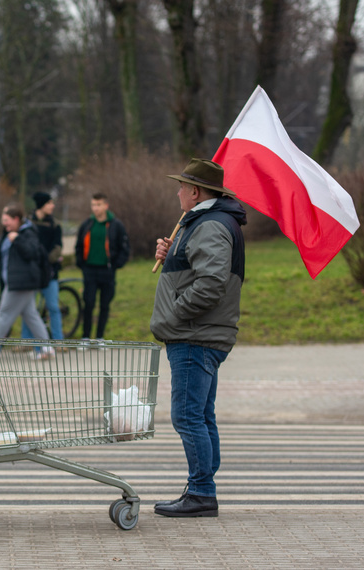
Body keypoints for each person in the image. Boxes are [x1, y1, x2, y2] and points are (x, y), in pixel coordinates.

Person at [150, 158, 246, 518]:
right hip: (200, 333)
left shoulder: (210, 225)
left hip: (195, 335)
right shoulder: (207, 223)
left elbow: (210, 284)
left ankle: (202, 491)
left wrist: (175, 314)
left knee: (188, 417)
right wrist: (170, 252)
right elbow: (197, 271)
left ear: (195, 192)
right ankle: (202, 487)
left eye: (181, 186)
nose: (177, 192)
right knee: (201, 416)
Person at [0, 203, 53, 357]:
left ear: (16, 219)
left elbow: (31, 253)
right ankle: (47, 348)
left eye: (7, 220)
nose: (4, 223)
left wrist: (18, 240)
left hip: (21, 282)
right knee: (31, 316)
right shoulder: (8, 233)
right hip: (13, 282)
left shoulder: (28, 233)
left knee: (4, 314)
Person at [74, 193, 129, 342]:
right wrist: (81, 263)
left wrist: (116, 265)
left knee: (105, 305)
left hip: (107, 271)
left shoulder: (116, 225)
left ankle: (99, 338)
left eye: (98, 205)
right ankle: (85, 337)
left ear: (106, 206)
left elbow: (124, 248)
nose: (95, 208)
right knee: (89, 303)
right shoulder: (87, 224)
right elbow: (79, 245)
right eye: (93, 205)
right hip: (89, 270)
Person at [22, 192, 64, 340]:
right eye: (49, 203)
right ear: (41, 205)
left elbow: (57, 247)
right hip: (32, 273)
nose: (52, 206)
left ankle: (59, 341)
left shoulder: (55, 224)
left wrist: (45, 261)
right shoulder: (27, 223)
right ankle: (26, 342)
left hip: (50, 273)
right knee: (29, 309)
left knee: (53, 307)